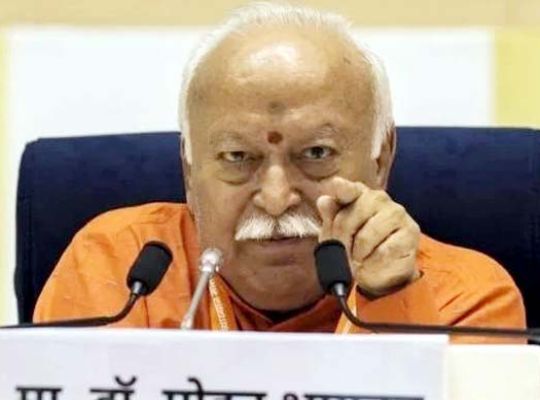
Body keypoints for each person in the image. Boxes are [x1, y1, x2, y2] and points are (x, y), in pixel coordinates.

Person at [34, 3, 525, 342]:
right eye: (237, 157)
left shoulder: (466, 298)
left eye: (315, 153)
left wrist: (391, 299)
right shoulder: (121, 269)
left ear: (381, 158)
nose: (275, 198)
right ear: (188, 167)